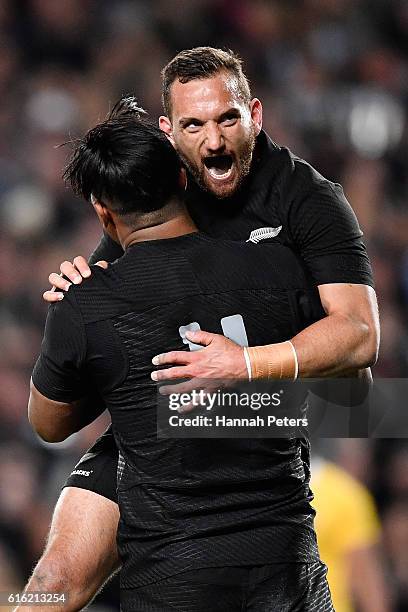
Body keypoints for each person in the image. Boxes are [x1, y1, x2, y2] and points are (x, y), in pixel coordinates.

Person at [23, 47, 379, 609]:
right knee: (51, 586)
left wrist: (246, 365)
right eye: (194, 125)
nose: (212, 141)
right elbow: (110, 306)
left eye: (227, 119)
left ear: (255, 115)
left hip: (262, 406)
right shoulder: (158, 188)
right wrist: (78, 290)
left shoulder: (306, 201)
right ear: (168, 133)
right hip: (163, 417)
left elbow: (359, 341)